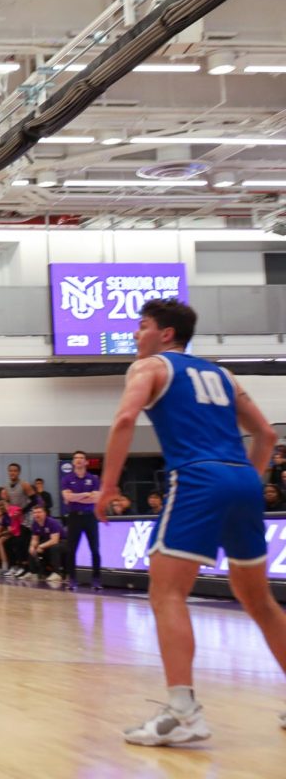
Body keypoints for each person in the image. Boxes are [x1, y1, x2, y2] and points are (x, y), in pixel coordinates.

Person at [96, 299, 286, 747]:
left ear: (165, 334)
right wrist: (242, 483)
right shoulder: (223, 374)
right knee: (258, 601)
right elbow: (268, 435)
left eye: (141, 326)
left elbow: (125, 418)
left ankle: (183, 713)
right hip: (241, 479)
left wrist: (107, 486)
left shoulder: (148, 368)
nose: (135, 335)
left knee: (166, 593)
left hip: (197, 478)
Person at [61, 450, 102, 591]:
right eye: (76, 458)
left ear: (86, 462)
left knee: (95, 549)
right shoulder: (67, 479)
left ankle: (96, 580)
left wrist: (76, 496)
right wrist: (86, 495)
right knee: (71, 550)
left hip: (90, 517)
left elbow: (96, 498)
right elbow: (68, 498)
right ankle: (72, 580)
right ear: (73, 462)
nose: (78, 460)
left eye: (81, 458)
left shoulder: (94, 479)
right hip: (74, 517)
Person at [28, 506, 65, 583]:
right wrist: (32, 546)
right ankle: (33, 572)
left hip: (63, 541)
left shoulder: (51, 522)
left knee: (54, 547)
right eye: (34, 512)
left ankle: (57, 573)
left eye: (39, 512)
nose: (36, 514)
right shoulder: (35, 523)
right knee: (32, 548)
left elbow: (55, 540)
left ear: (45, 513)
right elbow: (35, 539)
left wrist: (41, 546)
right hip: (48, 540)